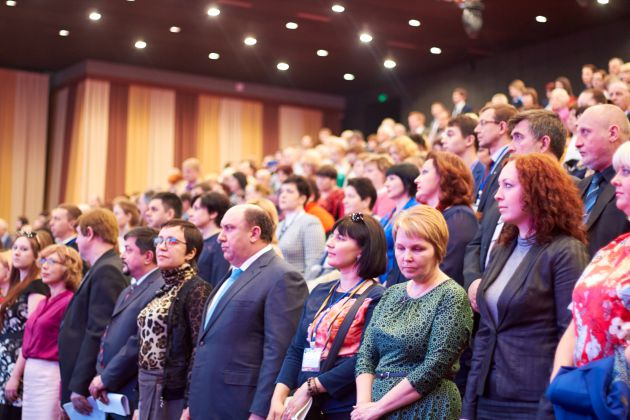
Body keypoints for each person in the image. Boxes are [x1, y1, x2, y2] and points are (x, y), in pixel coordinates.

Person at [462, 154, 589, 419]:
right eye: (499, 185)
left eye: (508, 186)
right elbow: (485, 333)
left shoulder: (565, 251)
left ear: (537, 191)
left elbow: (570, 335)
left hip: (534, 400)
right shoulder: (503, 248)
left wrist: (550, 406)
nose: (497, 195)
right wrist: (469, 407)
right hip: (488, 396)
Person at [184, 205, 308, 420]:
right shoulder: (234, 273)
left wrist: (261, 411)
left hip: (240, 406)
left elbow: (278, 352)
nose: (220, 237)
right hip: (206, 401)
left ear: (254, 233)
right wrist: (191, 405)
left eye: (229, 228)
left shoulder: (282, 277)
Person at [352, 205, 473, 419]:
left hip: (427, 406)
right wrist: (364, 406)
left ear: (438, 249)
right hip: (374, 407)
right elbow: (366, 355)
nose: (406, 257)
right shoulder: (392, 293)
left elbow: (434, 367)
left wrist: (378, 408)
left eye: (417, 249)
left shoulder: (451, 296)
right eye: (400, 248)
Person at [269, 214, 386, 419]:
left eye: (340, 238)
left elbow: (366, 357)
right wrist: (278, 398)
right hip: (304, 402)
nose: (329, 243)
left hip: (342, 404)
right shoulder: (320, 291)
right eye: (332, 236)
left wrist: (313, 386)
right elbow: (297, 348)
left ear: (362, 250)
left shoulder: (378, 297)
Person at [552, 141, 630, 379]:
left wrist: (600, 384)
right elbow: (577, 319)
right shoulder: (612, 250)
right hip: (585, 388)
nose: (615, 180)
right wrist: (559, 381)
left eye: (626, 172)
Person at [136, 220, 212, 420]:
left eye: (171, 241)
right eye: (159, 240)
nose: (161, 247)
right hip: (146, 383)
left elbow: (198, 348)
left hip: (170, 388)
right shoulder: (163, 286)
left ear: (190, 253)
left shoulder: (197, 289)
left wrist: (189, 401)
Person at [88, 228, 164, 420]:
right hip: (112, 389)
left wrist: (107, 377)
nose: (122, 255)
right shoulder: (129, 289)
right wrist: (101, 375)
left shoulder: (159, 288)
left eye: (129, 250)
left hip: (132, 391)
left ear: (148, 256)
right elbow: (109, 335)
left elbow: (138, 342)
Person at [58, 209, 129, 414]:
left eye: (78, 234)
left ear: (89, 233)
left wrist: (80, 384)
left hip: (87, 383)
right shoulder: (101, 267)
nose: (76, 241)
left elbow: (99, 331)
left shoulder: (107, 269)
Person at [15, 245, 81, 420]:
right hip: (32, 374)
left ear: (68, 268)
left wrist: (63, 393)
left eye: (51, 262)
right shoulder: (44, 301)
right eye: (43, 260)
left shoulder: (70, 301)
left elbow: (72, 349)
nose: (44, 266)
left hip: (51, 375)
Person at [0, 230, 52, 420]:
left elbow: (32, 332)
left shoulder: (36, 286)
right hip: (6, 360)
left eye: (24, 249)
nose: (16, 252)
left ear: (36, 256)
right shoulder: (17, 286)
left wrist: (15, 375)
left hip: (18, 362)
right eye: (15, 248)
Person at [414, 151, 478, 288]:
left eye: (424, 172)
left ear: (445, 176)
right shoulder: (439, 216)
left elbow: (448, 272)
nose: (416, 180)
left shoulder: (460, 218)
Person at [575, 104, 630, 257]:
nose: (577, 143)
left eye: (585, 132)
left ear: (612, 133)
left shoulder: (626, 191)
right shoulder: (579, 187)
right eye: (577, 133)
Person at [473, 104, 517, 217]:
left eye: (483, 123)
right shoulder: (492, 163)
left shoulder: (510, 163)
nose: (476, 130)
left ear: (501, 127)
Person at [277, 175, 326, 275]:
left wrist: (305, 285)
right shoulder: (280, 224)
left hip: (298, 282)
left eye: (289, 191)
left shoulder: (311, 223)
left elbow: (314, 267)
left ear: (302, 199)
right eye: (281, 191)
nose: (283, 195)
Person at [379, 163, 419, 283]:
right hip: (382, 276)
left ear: (407, 181)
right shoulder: (389, 214)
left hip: (399, 277)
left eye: (392, 179)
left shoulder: (416, 210)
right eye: (386, 179)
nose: (386, 184)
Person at [188, 192, 231, 287]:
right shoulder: (199, 239)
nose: (190, 214)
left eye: (196, 208)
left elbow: (219, 280)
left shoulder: (220, 242)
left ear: (213, 213)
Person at [363, 155, 396, 219]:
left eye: (370, 171)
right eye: (365, 171)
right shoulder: (373, 193)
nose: (365, 175)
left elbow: (382, 221)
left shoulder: (388, 195)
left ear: (384, 172)